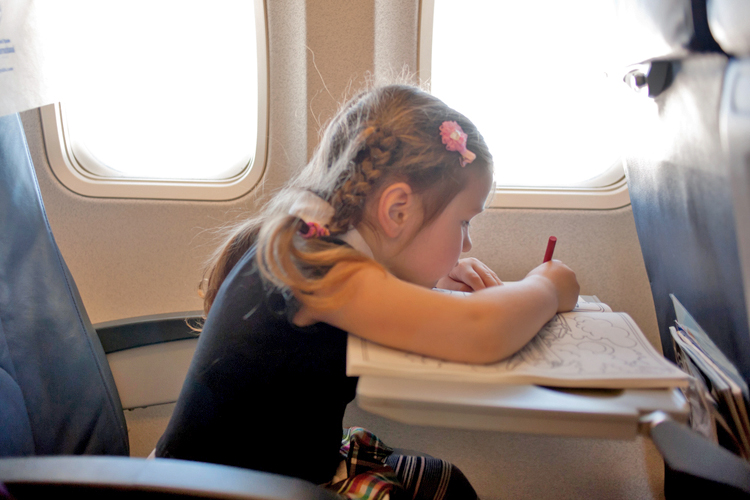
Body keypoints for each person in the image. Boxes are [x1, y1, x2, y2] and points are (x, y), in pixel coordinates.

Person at [155, 84, 579, 499]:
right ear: (397, 210)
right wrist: (545, 285)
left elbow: (384, 298)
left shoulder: (311, 239)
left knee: (446, 482)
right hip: (222, 492)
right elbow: (481, 331)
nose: (466, 243)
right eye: (463, 223)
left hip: (273, 472)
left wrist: (423, 285)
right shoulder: (323, 270)